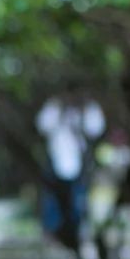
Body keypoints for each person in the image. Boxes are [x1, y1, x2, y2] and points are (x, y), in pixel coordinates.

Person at [36, 91, 106, 247]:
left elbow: (96, 129)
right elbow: (43, 125)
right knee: (52, 202)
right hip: (56, 160)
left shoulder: (88, 108)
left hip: (79, 164)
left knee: (77, 202)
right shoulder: (54, 107)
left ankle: (76, 234)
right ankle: (53, 235)